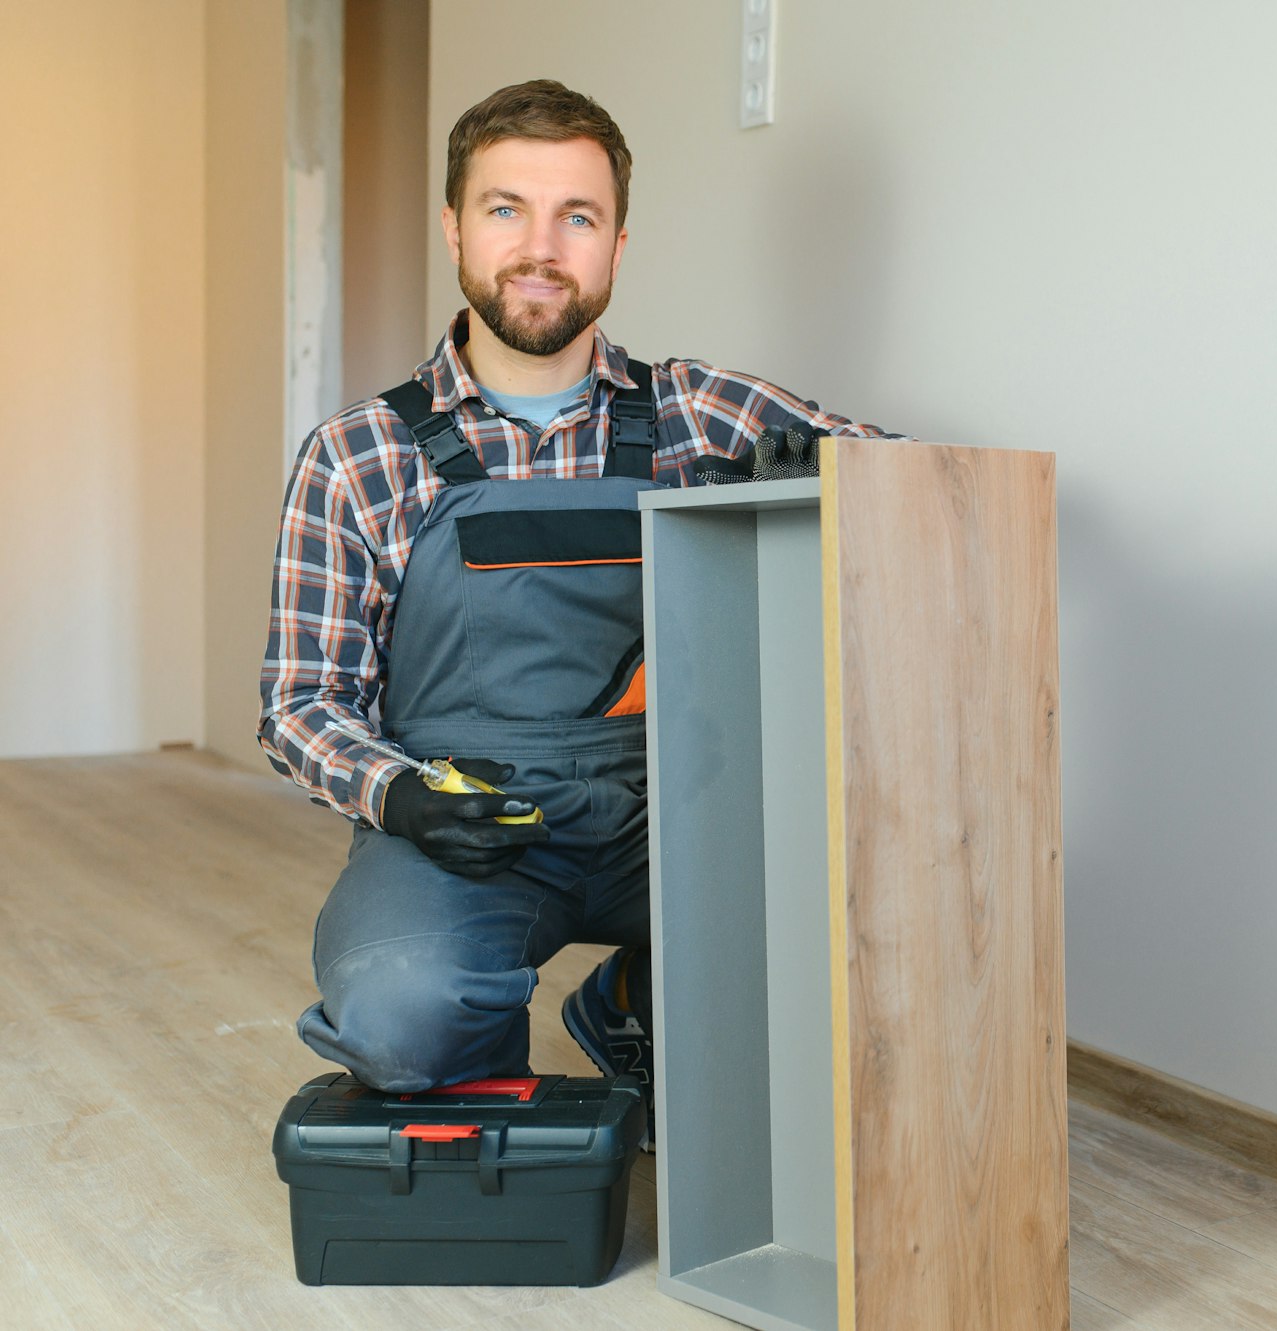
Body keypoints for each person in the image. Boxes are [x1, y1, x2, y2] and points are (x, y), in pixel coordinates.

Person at [257, 79, 891, 1124]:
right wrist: (400, 795)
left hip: (678, 818)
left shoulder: (700, 412)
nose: (541, 247)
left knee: (853, 946)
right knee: (405, 1019)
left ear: (617, 245)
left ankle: (633, 998)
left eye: (578, 217)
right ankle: (507, 1077)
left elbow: (918, 491)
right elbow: (299, 702)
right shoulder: (359, 452)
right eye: (506, 208)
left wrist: (808, 488)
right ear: (454, 227)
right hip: (469, 821)